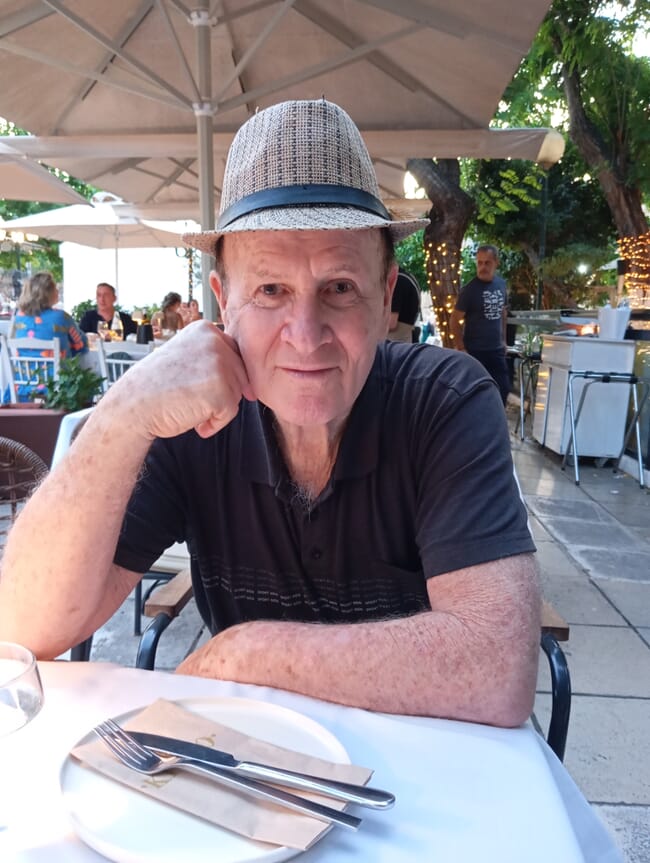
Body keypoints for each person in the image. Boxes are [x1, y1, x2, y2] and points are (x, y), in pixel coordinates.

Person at [0, 99, 539, 727]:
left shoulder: (444, 402)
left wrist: (244, 655)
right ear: (223, 301)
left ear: (385, 297)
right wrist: (122, 414)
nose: (306, 337)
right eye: (271, 290)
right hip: (243, 766)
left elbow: (496, 667)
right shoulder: (187, 420)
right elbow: (21, 623)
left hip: (423, 767)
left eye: (340, 288)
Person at [11, 271, 88, 401]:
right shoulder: (61, 317)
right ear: (47, 293)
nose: (57, 291)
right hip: (57, 383)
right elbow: (80, 345)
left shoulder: (19, 317)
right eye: (55, 288)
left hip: (24, 383)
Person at [450, 245, 511, 405]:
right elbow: (455, 319)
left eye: (487, 263)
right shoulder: (469, 290)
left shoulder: (501, 285)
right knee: (474, 393)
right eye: (480, 263)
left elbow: (503, 313)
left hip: (496, 350)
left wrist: (503, 340)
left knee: (503, 389)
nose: (483, 267)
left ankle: (496, 419)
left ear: (496, 263)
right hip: (475, 351)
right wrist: (461, 348)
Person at [387, 266, 420, 342]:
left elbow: (391, 323)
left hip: (395, 341)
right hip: (404, 339)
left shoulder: (398, 281)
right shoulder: (407, 277)